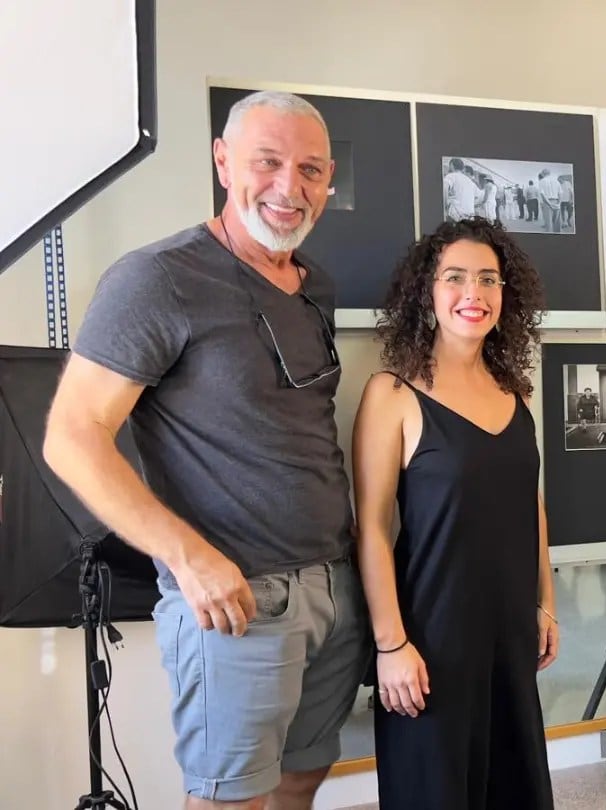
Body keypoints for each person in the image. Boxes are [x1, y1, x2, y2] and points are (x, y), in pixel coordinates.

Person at [43, 90, 368, 808]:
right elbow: (72, 437)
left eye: (311, 169)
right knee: (231, 798)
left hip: (333, 587)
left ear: (330, 178)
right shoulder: (157, 278)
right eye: (268, 162)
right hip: (238, 597)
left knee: (303, 776)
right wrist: (189, 559)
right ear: (223, 162)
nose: (290, 186)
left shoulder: (318, 285)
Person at [351, 216, 556, 808]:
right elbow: (371, 530)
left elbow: (531, 506)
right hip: (430, 645)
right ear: (427, 292)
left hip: (509, 638)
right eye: (456, 278)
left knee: (514, 791)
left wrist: (545, 602)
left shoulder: (516, 394)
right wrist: (391, 647)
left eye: (489, 280)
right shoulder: (391, 394)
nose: (474, 294)